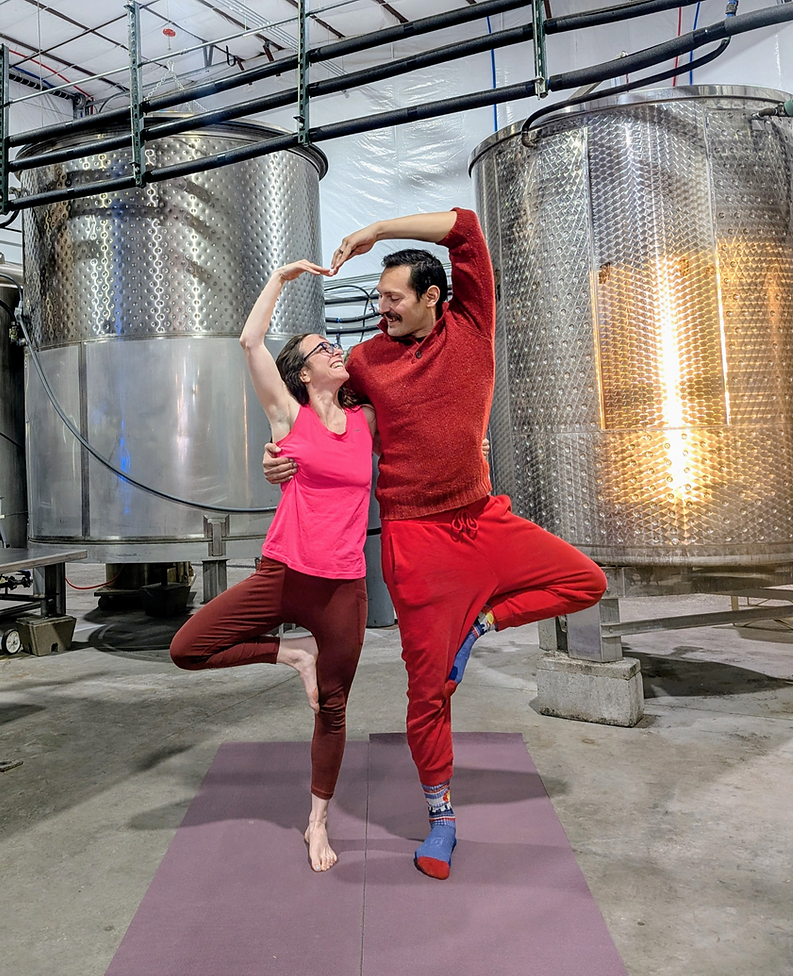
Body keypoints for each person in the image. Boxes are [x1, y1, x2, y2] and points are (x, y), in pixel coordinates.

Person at [265, 210, 607, 880]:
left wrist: (375, 233)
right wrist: (279, 460)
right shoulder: (365, 360)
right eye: (380, 298)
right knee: (427, 695)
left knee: (585, 580)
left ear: (432, 298)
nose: (381, 308)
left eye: (394, 297)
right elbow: (316, 416)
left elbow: (468, 227)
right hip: (415, 541)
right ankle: (442, 817)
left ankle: (479, 624)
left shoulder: (473, 325)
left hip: (484, 520)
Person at [170, 259, 375, 873]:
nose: (335, 352)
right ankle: (289, 655)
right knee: (188, 648)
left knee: (333, 707)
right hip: (282, 574)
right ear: (303, 371)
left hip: (344, 585)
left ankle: (316, 820)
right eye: (322, 349)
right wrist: (282, 278)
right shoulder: (289, 417)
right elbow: (249, 341)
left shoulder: (366, 421)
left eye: (334, 345)